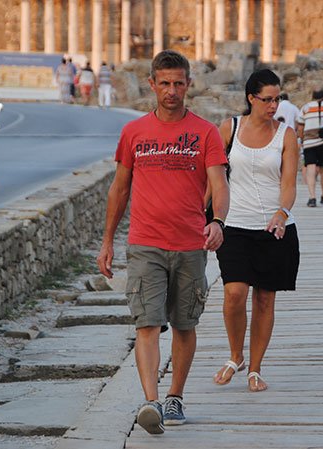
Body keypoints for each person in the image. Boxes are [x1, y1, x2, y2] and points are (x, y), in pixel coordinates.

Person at [96, 50, 230, 435]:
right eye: (165, 83)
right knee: (147, 323)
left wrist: (218, 221)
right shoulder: (134, 132)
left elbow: (219, 184)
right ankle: (151, 401)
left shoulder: (205, 132)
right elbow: (119, 189)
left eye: (178, 83)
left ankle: (175, 396)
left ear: (189, 84)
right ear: (152, 85)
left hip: (190, 244)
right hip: (145, 243)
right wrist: (107, 241)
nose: (172, 91)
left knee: (185, 324)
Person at [213, 69, 300, 393]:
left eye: (277, 99)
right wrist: (204, 216)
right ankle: (235, 355)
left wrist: (282, 212)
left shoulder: (286, 135)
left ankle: (255, 368)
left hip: (273, 227)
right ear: (251, 98)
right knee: (234, 294)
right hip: (234, 224)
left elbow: (289, 185)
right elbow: (213, 176)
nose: (274, 106)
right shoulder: (229, 128)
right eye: (267, 99)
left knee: (264, 300)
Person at [297, 88, 323, 207]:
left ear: (312, 96)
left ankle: (312, 197)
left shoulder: (305, 108)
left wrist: (302, 139)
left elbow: (300, 127)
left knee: (311, 168)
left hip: (309, 143)